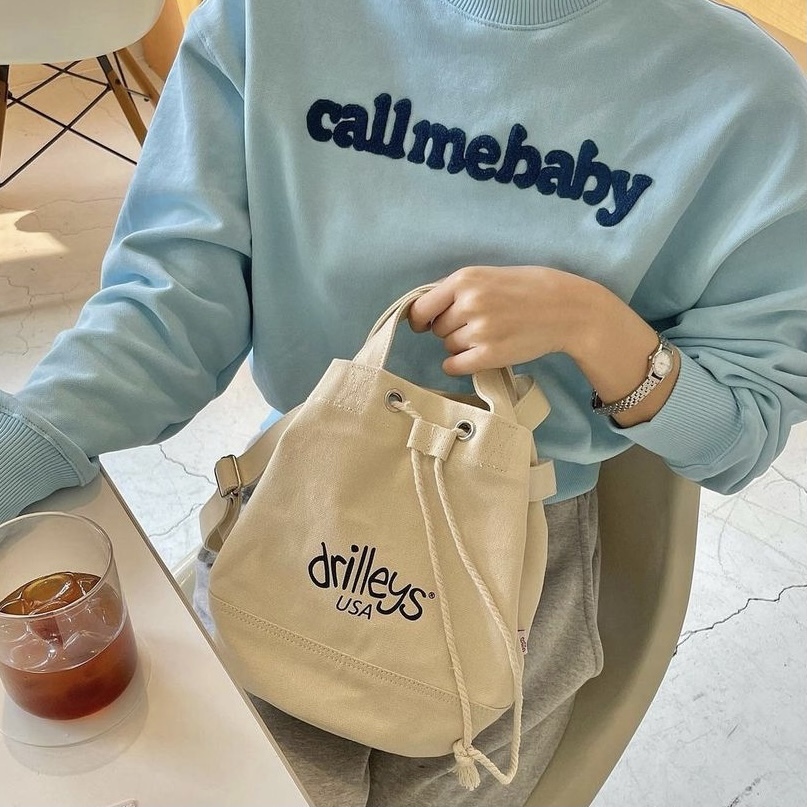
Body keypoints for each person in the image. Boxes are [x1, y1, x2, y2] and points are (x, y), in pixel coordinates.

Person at [1, 0, 805, 804]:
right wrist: (33, 437)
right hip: (294, 505)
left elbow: (738, 436)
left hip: (517, 571)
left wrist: (595, 326)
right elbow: (171, 307)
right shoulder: (267, 19)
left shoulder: (741, 92)